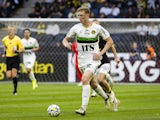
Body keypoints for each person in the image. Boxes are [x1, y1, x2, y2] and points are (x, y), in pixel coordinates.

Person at [62, 6, 114, 116]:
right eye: (78, 16)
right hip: (81, 61)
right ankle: (106, 97)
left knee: (85, 79)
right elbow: (65, 39)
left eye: (81, 16)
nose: (79, 18)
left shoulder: (97, 28)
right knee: (93, 84)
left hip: (94, 60)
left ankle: (83, 108)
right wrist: (67, 44)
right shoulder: (76, 28)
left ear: (87, 15)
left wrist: (100, 53)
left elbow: (110, 41)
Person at [91, 19, 120, 111]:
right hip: (94, 64)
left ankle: (112, 98)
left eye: (97, 25)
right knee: (98, 83)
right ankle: (111, 99)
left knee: (100, 80)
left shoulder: (103, 36)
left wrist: (116, 57)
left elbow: (111, 46)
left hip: (104, 62)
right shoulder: (89, 38)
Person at [1, 25, 24, 95]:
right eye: (8, 30)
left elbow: (22, 49)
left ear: (14, 31)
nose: (9, 31)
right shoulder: (4, 39)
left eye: (11, 30)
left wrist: (16, 51)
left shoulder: (18, 39)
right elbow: (5, 47)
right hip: (8, 58)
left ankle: (15, 91)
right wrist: (4, 53)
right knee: (8, 76)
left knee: (13, 75)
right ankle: (18, 73)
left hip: (15, 58)